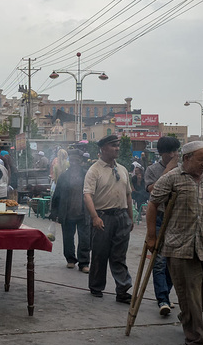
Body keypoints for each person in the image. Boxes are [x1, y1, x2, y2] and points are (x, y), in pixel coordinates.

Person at [146, 141, 203, 345]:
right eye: (200, 159)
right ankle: (195, 339)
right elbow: (153, 203)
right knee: (191, 293)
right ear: (186, 158)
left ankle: (188, 316)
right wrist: (151, 236)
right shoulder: (172, 178)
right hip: (180, 246)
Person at [83, 135, 135, 303]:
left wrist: (130, 217)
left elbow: (128, 195)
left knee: (119, 255)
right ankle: (96, 286)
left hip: (121, 217)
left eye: (118, 145)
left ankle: (123, 289)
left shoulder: (123, 169)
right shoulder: (94, 170)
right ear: (103, 148)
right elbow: (87, 196)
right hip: (103, 217)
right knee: (99, 254)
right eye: (113, 146)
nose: (117, 148)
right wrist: (95, 217)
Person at [144, 136, 181, 316]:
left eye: (176, 151)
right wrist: (168, 170)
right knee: (158, 262)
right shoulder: (152, 170)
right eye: (170, 152)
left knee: (173, 262)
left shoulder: (182, 170)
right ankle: (162, 299)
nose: (174, 155)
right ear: (162, 154)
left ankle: (165, 291)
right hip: (158, 218)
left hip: (176, 219)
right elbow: (154, 190)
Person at [51, 149, 90, 272]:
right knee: (68, 238)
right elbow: (56, 195)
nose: (74, 163)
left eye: (76, 161)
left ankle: (84, 263)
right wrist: (54, 212)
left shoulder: (86, 175)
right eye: (72, 161)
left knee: (84, 239)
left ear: (81, 162)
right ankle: (70, 260)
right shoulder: (64, 176)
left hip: (84, 212)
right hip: (67, 213)